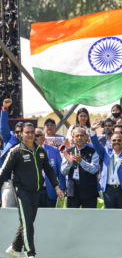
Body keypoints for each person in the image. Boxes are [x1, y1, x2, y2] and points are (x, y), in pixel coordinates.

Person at [0, 122, 64, 258]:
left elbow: (49, 170)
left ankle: (15, 248)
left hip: (36, 192)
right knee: (27, 222)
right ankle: (31, 254)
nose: (30, 135)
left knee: (27, 221)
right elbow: (4, 171)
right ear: (21, 134)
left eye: (32, 132)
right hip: (21, 191)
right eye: (27, 132)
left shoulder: (41, 151)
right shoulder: (16, 151)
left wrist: (57, 187)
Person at [90, 118, 122, 209]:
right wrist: (92, 131)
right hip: (109, 190)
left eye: (119, 140)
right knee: (110, 217)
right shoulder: (105, 152)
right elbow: (96, 144)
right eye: (114, 140)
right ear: (110, 142)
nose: (116, 142)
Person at [61, 126, 99, 208]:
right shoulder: (69, 152)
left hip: (89, 190)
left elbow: (94, 169)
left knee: (89, 218)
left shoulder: (93, 151)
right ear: (73, 138)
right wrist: (68, 163)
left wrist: (81, 161)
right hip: (73, 190)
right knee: (72, 218)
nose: (79, 138)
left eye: (81, 135)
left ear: (86, 136)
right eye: (77, 136)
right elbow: (63, 172)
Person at [35, 128, 66, 207]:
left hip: (51, 189)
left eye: (37, 135)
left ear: (43, 136)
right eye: (33, 135)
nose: (35, 137)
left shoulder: (54, 150)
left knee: (51, 216)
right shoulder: (29, 151)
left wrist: (62, 187)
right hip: (35, 190)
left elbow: (60, 170)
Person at [0, 99, 23, 208]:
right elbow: (3, 127)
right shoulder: (9, 138)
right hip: (9, 183)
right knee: (7, 211)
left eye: (21, 132)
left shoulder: (30, 144)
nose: (19, 134)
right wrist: (5, 109)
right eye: (17, 131)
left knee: (23, 215)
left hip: (24, 184)